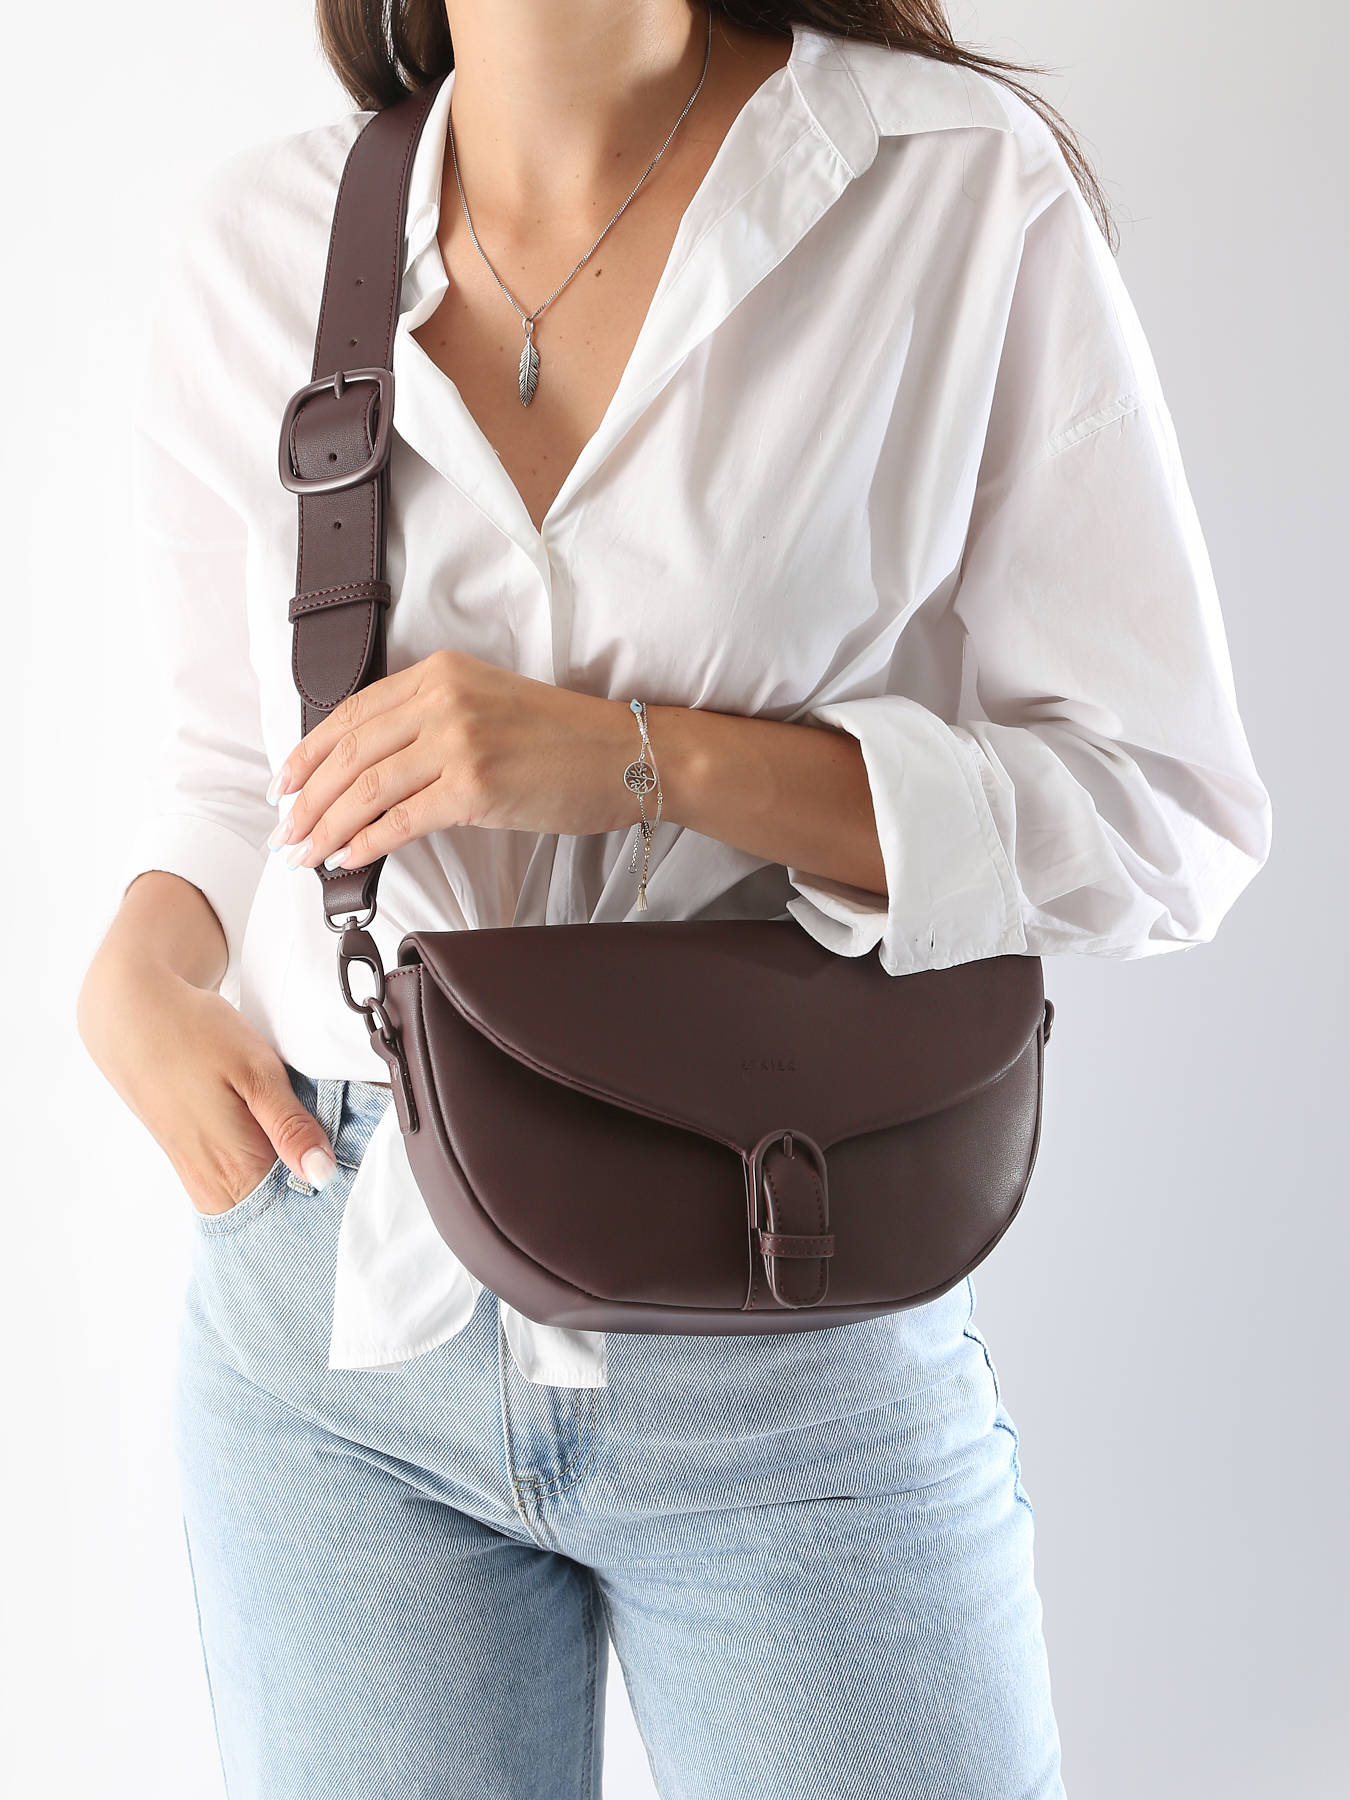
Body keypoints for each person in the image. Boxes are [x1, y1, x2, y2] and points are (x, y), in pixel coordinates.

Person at [77, 3, 1272, 1796]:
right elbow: (235, 779)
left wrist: (654, 760)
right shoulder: (263, 241)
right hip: (330, 1308)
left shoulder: (945, 186)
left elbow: (1159, 809)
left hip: (784, 1297)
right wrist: (141, 966)